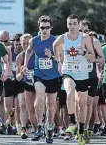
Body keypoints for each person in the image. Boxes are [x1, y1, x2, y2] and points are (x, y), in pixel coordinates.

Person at [53, 14, 95, 144]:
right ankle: (72, 123)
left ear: (78, 25)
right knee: (70, 92)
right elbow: (55, 45)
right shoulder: (63, 38)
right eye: (69, 24)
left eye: (74, 24)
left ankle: (81, 130)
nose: (72, 27)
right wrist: (59, 61)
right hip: (68, 72)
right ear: (67, 25)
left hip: (82, 74)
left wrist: (83, 53)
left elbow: (93, 57)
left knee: (82, 105)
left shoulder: (85, 38)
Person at [23, 15, 60, 143]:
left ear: (51, 28)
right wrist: (25, 64)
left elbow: (61, 60)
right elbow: (28, 51)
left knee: (51, 104)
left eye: (47, 28)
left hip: (53, 76)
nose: (44, 30)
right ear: (39, 28)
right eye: (42, 27)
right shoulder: (34, 40)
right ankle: (39, 125)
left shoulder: (55, 41)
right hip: (39, 74)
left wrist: (51, 56)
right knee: (39, 95)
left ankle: (49, 127)